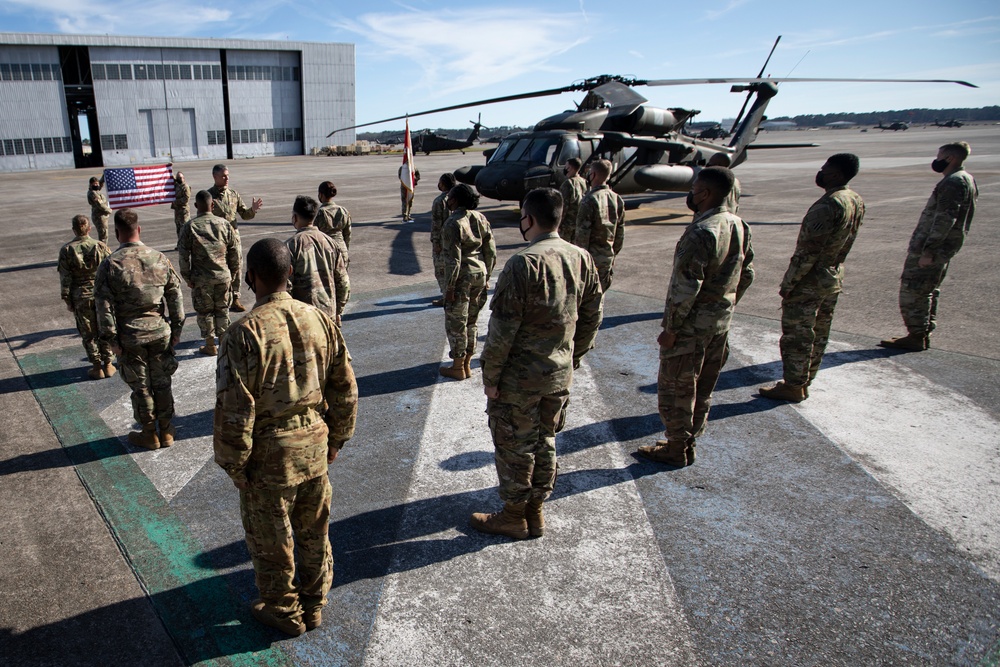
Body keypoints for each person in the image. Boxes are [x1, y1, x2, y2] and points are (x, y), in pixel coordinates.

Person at [213, 238, 358, 637]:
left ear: (250, 277)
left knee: (271, 538)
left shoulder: (243, 332)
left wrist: (234, 463)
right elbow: (344, 385)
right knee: (314, 531)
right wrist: (338, 438)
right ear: (290, 274)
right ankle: (314, 606)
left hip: (269, 454)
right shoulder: (319, 319)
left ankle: (283, 610)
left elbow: (234, 408)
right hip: (313, 442)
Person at [472, 187, 603, 540]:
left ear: (527, 219)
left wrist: (491, 375)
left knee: (514, 446)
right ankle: (536, 510)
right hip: (558, 375)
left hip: (520, 378)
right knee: (545, 440)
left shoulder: (523, 263)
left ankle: (514, 515)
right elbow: (593, 315)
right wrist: (573, 356)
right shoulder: (581, 257)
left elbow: (502, 330)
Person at [638, 167, 754, 467]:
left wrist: (671, 329)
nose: (691, 194)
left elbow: (686, 286)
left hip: (690, 328)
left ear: (706, 194)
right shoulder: (738, 224)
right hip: (719, 324)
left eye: (695, 189)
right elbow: (747, 273)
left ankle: (677, 447)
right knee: (702, 388)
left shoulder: (703, 231)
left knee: (676, 388)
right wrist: (724, 305)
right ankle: (688, 442)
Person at [759, 154, 865, 402]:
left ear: (837, 174)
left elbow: (807, 251)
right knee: (819, 332)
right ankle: (805, 381)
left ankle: (794, 385)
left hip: (811, 280)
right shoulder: (855, 199)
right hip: (833, 275)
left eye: (825, 169)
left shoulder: (828, 205)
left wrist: (790, 283)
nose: (821, 172)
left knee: (798, 336)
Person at [95, 208, 185, 450]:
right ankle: (166, 431)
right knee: (162, 382)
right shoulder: (159, 258)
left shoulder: (110, 264)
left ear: (116, 233)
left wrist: (111, 339)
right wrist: (176, 329)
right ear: (139, 229)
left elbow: (103, 306)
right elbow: (175, 296)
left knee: (141, 386)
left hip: (130, 336)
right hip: (159, 331)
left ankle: (149, 433)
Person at [880, 141, 978, 351]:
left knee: (913, 290)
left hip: (932, 249)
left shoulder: (952, 182)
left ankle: (916, 335)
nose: (936, 159)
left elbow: (945, 219)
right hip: (945, 247)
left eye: (940, 155)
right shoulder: (966, 179)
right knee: (928, 290)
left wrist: (929, 250)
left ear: (950, 158)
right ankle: (921, 334)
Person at [438, 184, 496, 380]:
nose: (448, 200)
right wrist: (487, 277)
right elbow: (491, 252)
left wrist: (449, 287)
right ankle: (467, 364)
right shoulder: (481, 219)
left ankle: (457, 366)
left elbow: (453, 259)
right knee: (471, 321)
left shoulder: (452, 223)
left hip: (462, 276)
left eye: (450, 197)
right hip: (479, 272)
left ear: (456, 200)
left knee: (456, 323)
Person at [178, 190, 240, 356]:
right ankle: (224, 342)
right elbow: (235, 253)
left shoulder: (189, 227)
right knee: (222, 310)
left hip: (201, 279)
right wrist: (232, 274)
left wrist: (188, 277)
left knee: (204, 312)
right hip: (222, 276)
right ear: (212, 205)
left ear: (196, 205)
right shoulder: (224, 224)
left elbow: (183, 256)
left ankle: (210, 344)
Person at [58, 214, 114, 380]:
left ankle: (97, 367)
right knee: (104, 328)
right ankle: (109, 364)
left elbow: (65, 278)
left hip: (80, 296)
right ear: (90, 228)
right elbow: (111, 272)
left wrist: (67, 299)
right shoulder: (101, 246)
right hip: (101, 294)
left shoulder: (67, 250)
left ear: (74, 230)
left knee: (88, 333)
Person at [208, 163, 263, 313]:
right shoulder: (208, 196)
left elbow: (244, 214)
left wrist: (252, 210)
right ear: (215, 177)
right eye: (223, 176)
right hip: (217, 240)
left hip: (234, 239)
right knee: (218, 269)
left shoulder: (233, 194)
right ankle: (219, 298)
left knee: (237, 267)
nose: (227, 178)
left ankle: (235, 297)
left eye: (228, 175)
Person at [287, 195, 350, 325]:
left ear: (295, 217)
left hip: (303, 319)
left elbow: (286, 288)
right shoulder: (331, 243)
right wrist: (338, 311)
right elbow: (343, 283)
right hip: (329, 316)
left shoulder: (290, 246)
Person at [574, 158, 625, 291]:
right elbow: (620, 233)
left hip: (590, 260)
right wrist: (612, 254)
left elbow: (582, 236)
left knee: (586, 300)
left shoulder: (589, 200)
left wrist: (580, 260)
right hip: (607, 258)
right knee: (599, 297)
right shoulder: (616, 199)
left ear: (594, 174)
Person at [430, 173, 458, 306]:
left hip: (442, 241)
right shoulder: (457, 198)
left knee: (441, 269)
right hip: (456, 240)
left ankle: (446, 295)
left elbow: (436, 224)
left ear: (443, 183)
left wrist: (436, 242)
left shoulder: (439, 201)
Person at [316, 180, 352, 265]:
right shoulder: (343, 211)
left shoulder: (319, 213)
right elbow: (347, 234)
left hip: (325, 252)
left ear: (321, 194)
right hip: (342, 250)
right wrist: (345, 249)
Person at [558, 157, 587, 243]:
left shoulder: (568, 184)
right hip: (579, 222)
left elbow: (563, 206)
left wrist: (558, 223)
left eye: (566, 167)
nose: (565, 169)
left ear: (570, 168)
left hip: (567, 225)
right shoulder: (583, 182)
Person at [87, 176, 112, 243]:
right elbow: (100, 205)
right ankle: (103, 250)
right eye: (94, 184)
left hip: (101, 216)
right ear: (90, 184)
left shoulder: (95, 190)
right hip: (100, 217)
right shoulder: (93, 193)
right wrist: (109, 210)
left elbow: (100, 184)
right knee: (103, 236)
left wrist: (104, 176)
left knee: (104, 234)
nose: (97, 185)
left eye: (97, 183)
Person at [171, 170, 191, 246]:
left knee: (184, 228)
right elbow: (171, 177)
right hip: (177, 211)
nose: (180, 179)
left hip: (184, 211)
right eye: (179, 177)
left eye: (182, 177)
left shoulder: (185, 187)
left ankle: (186, 244)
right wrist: (169, 168)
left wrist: (175, 202)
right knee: (178, 229)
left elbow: (186, 199)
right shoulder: (177, 185)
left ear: (184, 178)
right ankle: (180, 244)